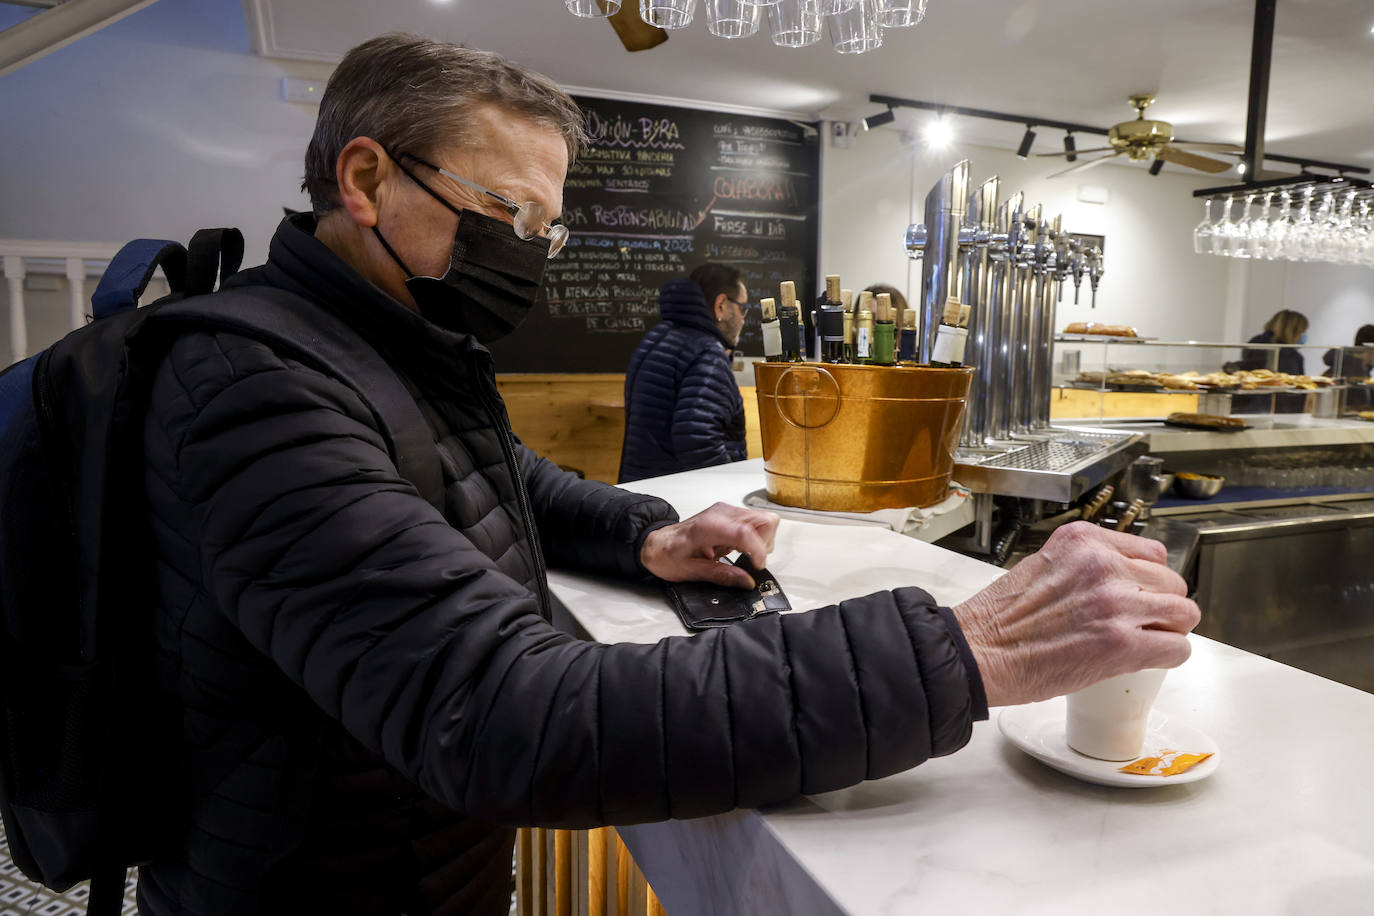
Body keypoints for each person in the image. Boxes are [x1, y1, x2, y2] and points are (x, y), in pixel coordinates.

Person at [134, 34, 1199, 916]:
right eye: (510, 216)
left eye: (547, 231)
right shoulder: (255, 383)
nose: (531, 253)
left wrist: (642, 535)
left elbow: (507, 478)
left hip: (416, 861)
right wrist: (967, 647)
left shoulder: (388, 342)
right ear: (367, 179)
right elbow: (500, 713)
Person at [618, 263, 748, 483]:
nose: (744, 319)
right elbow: (698, 442)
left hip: (641, 489)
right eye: (742, 308)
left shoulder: (656, 337)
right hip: (677, 502)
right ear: (721, 305)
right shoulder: (707, 354)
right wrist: (729, 486)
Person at [1232, 308, 1309, 375]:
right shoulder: (1290, 355)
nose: (1303, 336)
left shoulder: (1256, 341)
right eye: (1302, 332)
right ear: (1293, 332)